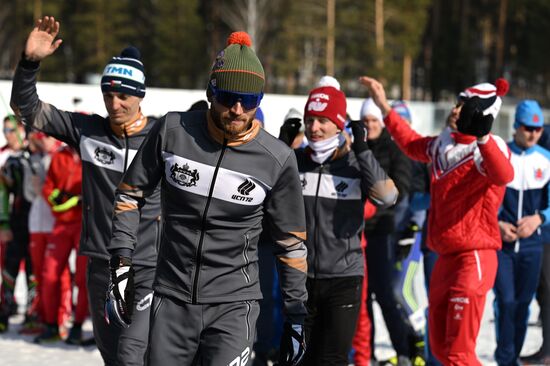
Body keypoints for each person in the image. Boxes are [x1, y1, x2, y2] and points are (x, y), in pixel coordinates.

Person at [107, 31, 307, 366]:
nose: (238, 109)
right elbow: (130, 195)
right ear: (211, 92)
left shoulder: (277, 159)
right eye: (228, 97)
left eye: (250, 99)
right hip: (172, 297)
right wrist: (121, 262)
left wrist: (297, 314)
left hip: (234, 305)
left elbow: (291, 244)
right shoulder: (172, 132)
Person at [10, 16, 161, 365]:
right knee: (113, 357)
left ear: (140, 96)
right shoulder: (88, 130)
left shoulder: (161, 136)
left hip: (147, 266)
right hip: (100, 264)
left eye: (123, 96)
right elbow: (26, 110)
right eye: (108, 95)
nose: (114, 104)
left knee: (131, 355)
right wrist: (30, 63)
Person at [360, 75, 514, 365]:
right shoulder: (442, 145)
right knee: (440, 350)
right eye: (457, 104)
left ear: (480, 114)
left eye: (464, 106)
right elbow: (410, 143)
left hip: (474, 257)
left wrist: (483, 138)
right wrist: (384, 106)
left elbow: (504, 174)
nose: (455, 110)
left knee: (459, 354)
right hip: (445, 256)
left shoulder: (491, 148)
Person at [279, 78, 398, 365]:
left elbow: (388, 196)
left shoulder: (355, 165)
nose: (314, 128)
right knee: (293, 359)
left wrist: (363, 150)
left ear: (339, 123)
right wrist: (281, 146)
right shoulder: (294, 161)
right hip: (300, 278)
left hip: (343, 279)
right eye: (309, 120)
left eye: (322, 120)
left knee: (330, 360)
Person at [494, 100, 550, 366]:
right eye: (528, 127)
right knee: (505, 302)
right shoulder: (499, 154)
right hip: (501, 246)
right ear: (516, 125)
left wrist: (539, 218)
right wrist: (496, 224)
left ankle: (512, 357)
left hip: (532, 245)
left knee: (523, 304)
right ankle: (504, 358)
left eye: (538, 129)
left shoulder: (546, 159)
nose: (533, 133)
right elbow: (481, 199)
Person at [360, 98, 414, 365]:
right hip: (355, 232)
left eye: (373, 120)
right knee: (361, 299)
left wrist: (372, 203)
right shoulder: (355, 147)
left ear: (381, 122)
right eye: (366, 121)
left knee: (384, 293)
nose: (369, 125)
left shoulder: (394, 149)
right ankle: (365, 353)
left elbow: (401, 187)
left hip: (380, 230)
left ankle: (403, 349)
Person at [35, 144, 88, 344]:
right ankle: (51, 325)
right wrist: (56, 199)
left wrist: (84, 199)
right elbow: (48, 185)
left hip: (84, 224)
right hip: (60, 223)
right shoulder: (60, 156)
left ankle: (77, 325)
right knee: (49, 274)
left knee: (83, 278)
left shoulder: (93, 152)